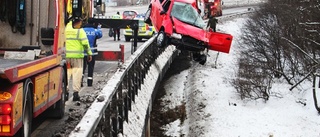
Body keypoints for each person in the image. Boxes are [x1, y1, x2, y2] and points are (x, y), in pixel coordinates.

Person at [65, 19, 92, 101]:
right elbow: (85, 43)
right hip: (77, 57)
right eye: (80, 23)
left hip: (66, 56)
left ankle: (65, 92)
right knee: (77, 74)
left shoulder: (66, 28)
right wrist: (89, 53)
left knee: (67, 73)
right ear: (77, 23)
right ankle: (75, 93)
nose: (81, 24)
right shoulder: (80, 31)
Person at [82, 18, 103, 87]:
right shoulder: (95, 31)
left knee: (82, 67)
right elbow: (100, 35)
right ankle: (89, 82)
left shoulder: (82, 30)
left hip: (83, 52)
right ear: (94, 23)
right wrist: (99, 27)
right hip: (92, 53)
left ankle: (80, 81)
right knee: (90, 67)